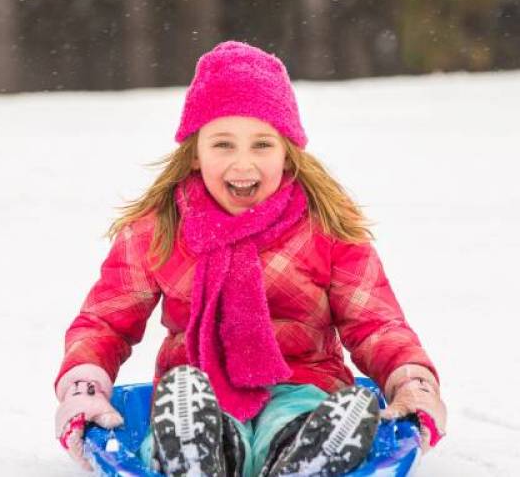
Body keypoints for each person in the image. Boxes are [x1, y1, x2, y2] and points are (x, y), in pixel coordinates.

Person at [53, 41, 447, 476]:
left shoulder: (325, 228)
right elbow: (106, 321)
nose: (244, 164)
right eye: (223, 144)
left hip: (304, 384)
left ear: (287, 151)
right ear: (195, 153)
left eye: (262, 144)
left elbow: (375, 323)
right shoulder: (159, 229)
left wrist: (412, 383)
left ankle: (310, 449)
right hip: (198, 391)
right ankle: (194, 449)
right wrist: (83, 387)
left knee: (296, 414)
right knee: (196, 409)